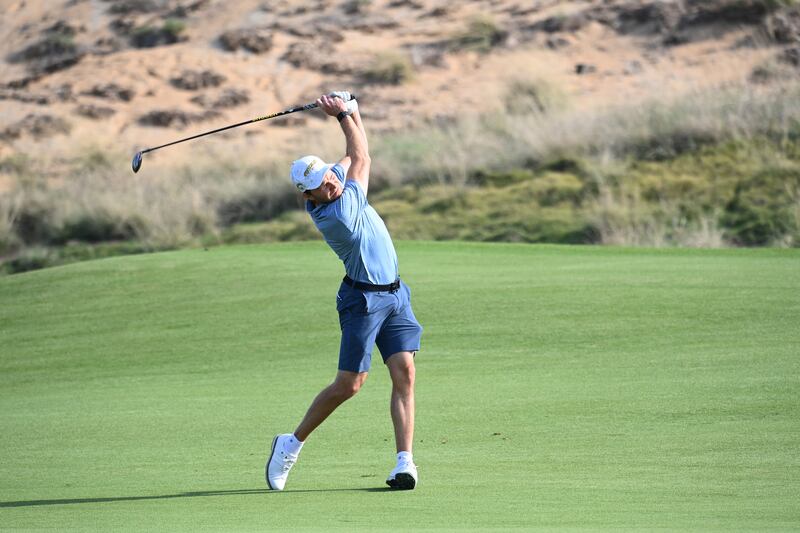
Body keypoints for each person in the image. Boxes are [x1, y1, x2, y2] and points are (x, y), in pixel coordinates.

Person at [265, 92, 424, 491]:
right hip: (363, 301)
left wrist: (350, 112)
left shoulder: (332, 184)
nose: (331, 182)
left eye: (329, 175)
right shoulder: (339, 214)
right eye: (321, 184)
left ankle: (405, 462)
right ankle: (291, 443)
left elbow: (353, 155)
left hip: (395, 295)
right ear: (308, 197)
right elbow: (362, 157)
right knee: (350, 384)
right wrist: (343, 115)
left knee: (405, 372)